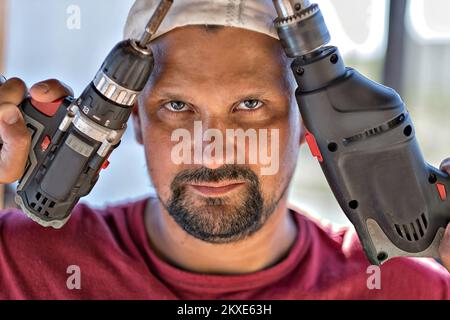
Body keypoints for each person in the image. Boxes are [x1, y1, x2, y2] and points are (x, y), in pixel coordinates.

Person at [0, 0, 449, 299]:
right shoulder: (19, 264)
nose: (212, 153)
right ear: (131, 118)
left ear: (308, 121)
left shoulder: (411, 289)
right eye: (177, 106)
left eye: (250, 105)